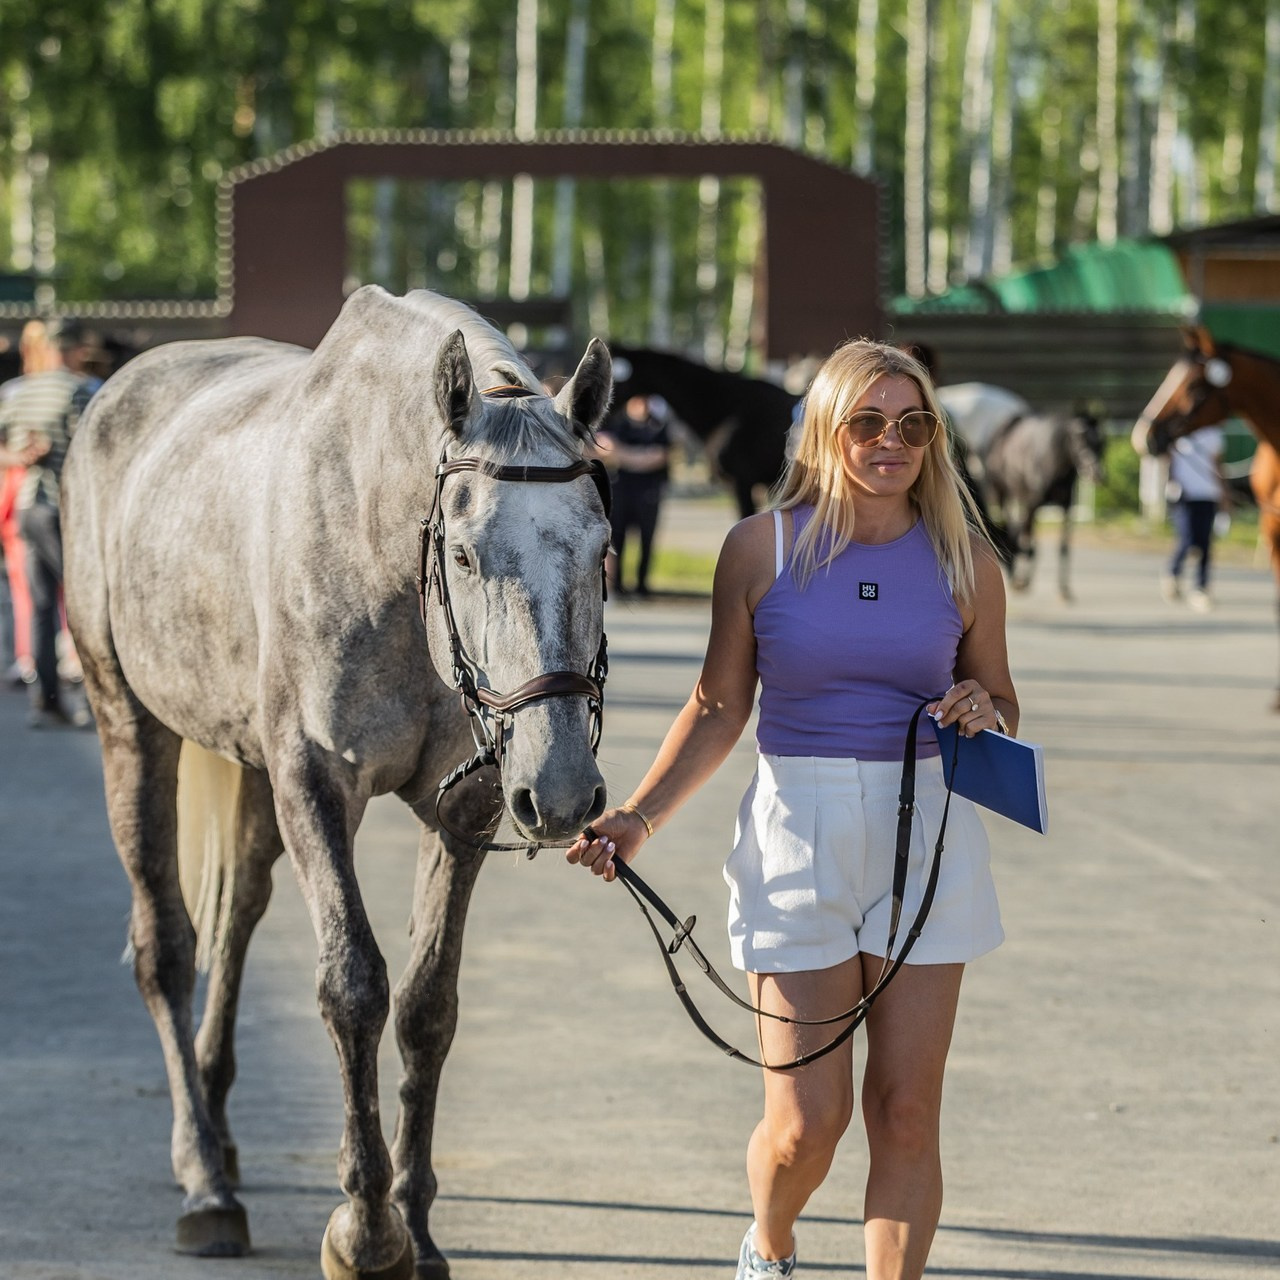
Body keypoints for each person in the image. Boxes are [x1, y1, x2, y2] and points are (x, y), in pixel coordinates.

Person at [568, 339, 1019, 1280]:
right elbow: (719, 706)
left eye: (913, 424)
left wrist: (984, 710)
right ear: (824, 428)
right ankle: (768, 1247)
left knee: (905, 1111)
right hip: (796, 835)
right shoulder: (758, 548)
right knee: (806, 1127)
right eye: (867, 421)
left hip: (925, 832)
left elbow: (1000, 698)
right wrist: (636, 819)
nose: (891, 441)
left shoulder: (968, 560)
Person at [0, 318, 95, 727]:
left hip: (27, 507)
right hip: (66, 508)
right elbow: (89, 451)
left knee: (40, 606)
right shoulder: (82, 391)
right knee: (81, 604)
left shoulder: (15, 392)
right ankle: (93, 702)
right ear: (75, 349)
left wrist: (21, 459)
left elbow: (4, 449)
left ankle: (47, 701)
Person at [596, 394, 672, 597]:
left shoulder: (657, 427)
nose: (641, 405)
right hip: (621, 490)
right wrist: (640, 456)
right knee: (618, 538)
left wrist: (622, 454)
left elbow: (660, 456)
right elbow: (601, 448)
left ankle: (642, 585)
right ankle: (618, 584)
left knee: (646, 539)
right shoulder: (617, 424)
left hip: (648, 492)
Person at [1161, 424, 1226, 613]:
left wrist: (1224, 493)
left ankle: (1201, 587)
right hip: (1185, 496)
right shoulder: (1179, 432)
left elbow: (1217, 463)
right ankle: (1173, 574)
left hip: (1208, 494)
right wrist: (1170, 485)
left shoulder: (1214, 433)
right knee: (1187, 538)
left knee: (1205, 543)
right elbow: (1169, 461)